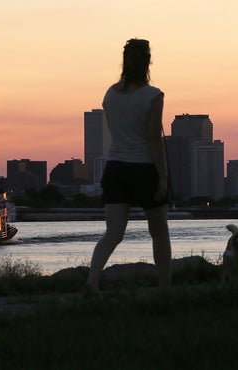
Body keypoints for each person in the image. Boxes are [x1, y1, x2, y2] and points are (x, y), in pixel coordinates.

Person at [83, 38, 171, 295]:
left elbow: (115, 128)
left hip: (115, 168)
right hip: (144, 168)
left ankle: (92, 281)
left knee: (113, 233)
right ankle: (165, 288)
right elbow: (154, 138)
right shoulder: (153, 96)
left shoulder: (110, 94)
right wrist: (163, 178)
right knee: (159, 232)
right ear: (148, 63)